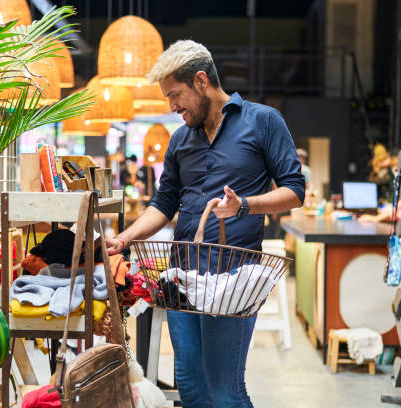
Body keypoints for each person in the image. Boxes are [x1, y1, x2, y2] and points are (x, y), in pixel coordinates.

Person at [106, 40, 305, 408]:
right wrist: (124, 238)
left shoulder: (262, 122)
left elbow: (295, 191)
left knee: (225, 391)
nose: (172, 107)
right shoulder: (180, 138)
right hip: (183, 279)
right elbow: (164, 204)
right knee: (192, 388)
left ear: (201, 81)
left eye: (175, 95)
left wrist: (244, 205)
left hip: (233, 280)